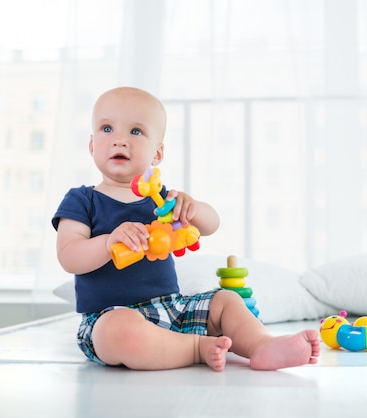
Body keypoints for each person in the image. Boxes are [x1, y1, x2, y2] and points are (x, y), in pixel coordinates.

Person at [52, 86, 320, 371]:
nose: (119, 140)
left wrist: (193, 208)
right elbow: (69, 256)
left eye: (135, 131)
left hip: (173, 308)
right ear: (92, 145)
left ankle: (262, 345)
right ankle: (194, 348)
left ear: (158, 153)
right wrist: (107, 242)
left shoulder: (162, 200)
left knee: (226, 300)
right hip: (109, 317)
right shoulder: (82, 200)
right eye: (107, 128)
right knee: (118, 332)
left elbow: (211, 224)